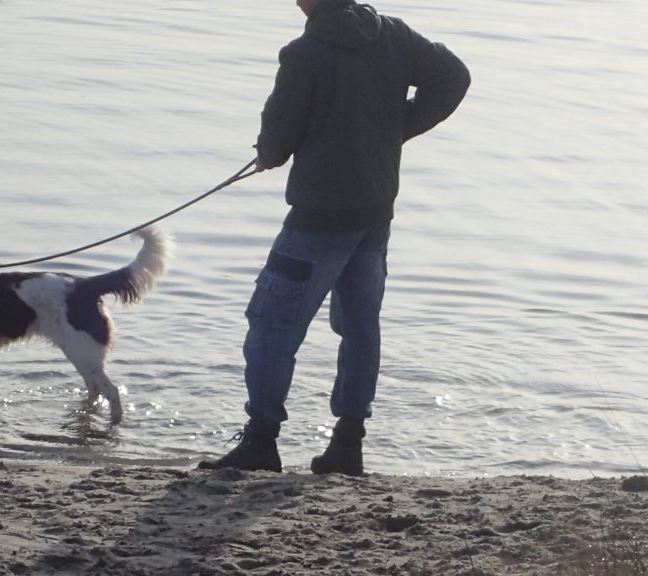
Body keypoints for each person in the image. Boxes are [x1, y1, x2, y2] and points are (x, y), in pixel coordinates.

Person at [199, 0, 470, 474]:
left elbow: (277, 144)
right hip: (374, 212)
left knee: (271, 325)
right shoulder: (393, 33)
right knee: (360, 327)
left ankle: (261, 441)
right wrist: (392, 129)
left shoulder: (304, 54)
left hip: (319, 218)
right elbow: (453, 77)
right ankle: (348, 444)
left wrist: (268, 152)